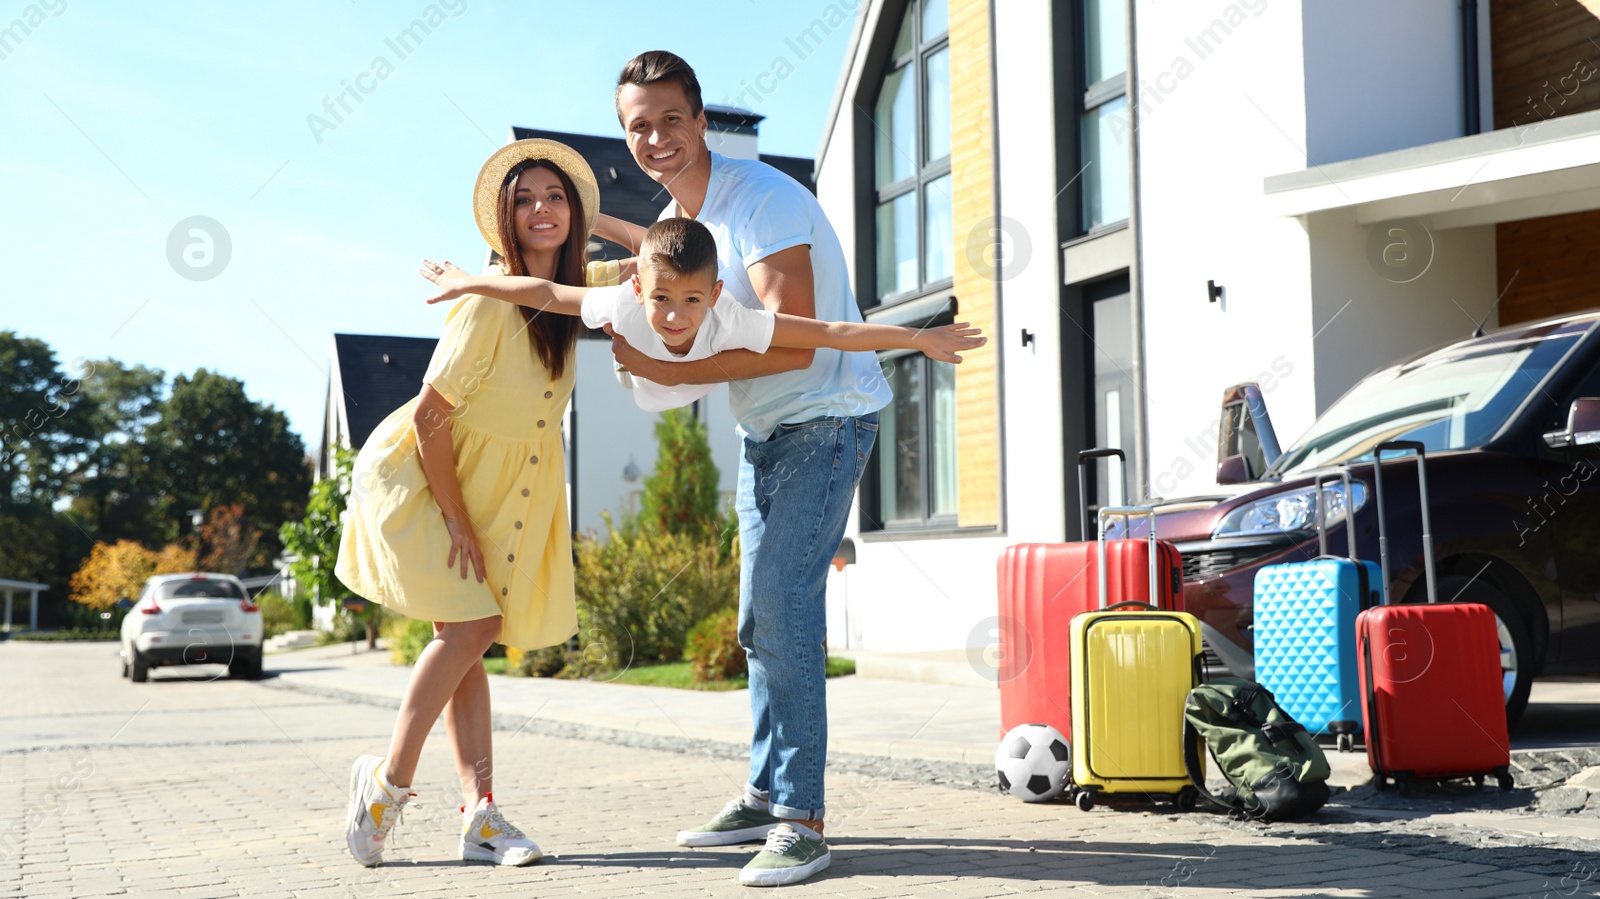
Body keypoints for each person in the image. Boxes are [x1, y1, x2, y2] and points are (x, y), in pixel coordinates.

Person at [610, 50, 890, 887]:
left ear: (700, 122)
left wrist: (675, 374)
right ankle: (768, 792)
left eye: (670, 119)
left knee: (783, 609)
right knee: (755, 619)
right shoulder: (681, 221)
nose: (655, 137)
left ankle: (802, 820)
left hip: (826, 418)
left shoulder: (760, 201)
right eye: (638, 125)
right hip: (762, 432)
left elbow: (794, 332)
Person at [337, 139, 607, 868]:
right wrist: (455, 517)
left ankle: (479, 816)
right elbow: (430, 418)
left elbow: (660, 264)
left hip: (483, 484)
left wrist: (602, 219)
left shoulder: (574, 293)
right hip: (422, 480)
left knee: (466, 645)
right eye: (524, 199)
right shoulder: (489, 302)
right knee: (475, 624)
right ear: (504, 218)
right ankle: (387, 788)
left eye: (556, 196)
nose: (541, 209)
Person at [418, 217, 986, 411]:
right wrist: (471, 283)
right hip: (637, 381)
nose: (673, 317)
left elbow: (831, 331)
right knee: (597, 310)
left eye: (692, 301)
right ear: (639, 288)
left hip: (690, 383)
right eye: (660, 299)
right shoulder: (623, 299)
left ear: (714, 295)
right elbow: (544, 290)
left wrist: (916, 338)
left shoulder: (730, 316)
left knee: (757, 341)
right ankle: (606, 226)